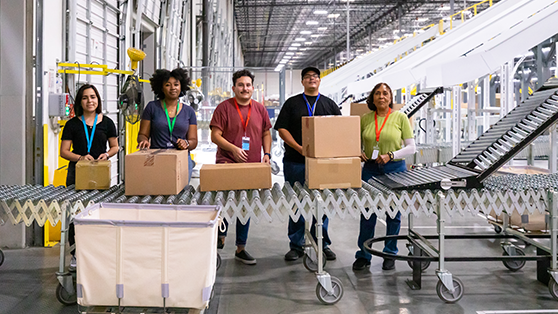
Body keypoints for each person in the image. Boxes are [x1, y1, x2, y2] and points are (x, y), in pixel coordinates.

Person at [274, 66, 341, 262]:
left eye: (315, 77)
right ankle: (296, 245)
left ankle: (322, 242)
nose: (312, 79)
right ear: (302, 82)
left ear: (319, 81)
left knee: (324, 202)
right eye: (307, 77)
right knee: (297, 202)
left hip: (323, 163)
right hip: (296, 161)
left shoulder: (329, 104)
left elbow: (340, 130)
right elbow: (282, 129)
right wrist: (299, 147)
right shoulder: (292, 104)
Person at [210, 69, 272, 265]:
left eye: (248, 85)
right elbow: (215, 136)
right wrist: (234, 149)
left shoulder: (260, 109)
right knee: (226, 201)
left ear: (253, 88)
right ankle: (220, 237)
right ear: (233, 88)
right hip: (227, 162)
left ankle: (241, 247)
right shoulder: (224, 108)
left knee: (245, 205)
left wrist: (267, 154)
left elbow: (266, 133)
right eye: (240, 85)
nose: (245, 88)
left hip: (252, 164)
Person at [352, 82, 416, 271]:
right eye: (378, 93)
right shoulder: (365, 119)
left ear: (390, 98)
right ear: (372, 98)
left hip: (394, 168)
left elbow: (412, 147)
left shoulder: (400, 117)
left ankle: (390, 253)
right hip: (370, 170)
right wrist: (358, 151)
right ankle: (364, 255)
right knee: (367, 214)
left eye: (385, 93)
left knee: (393, 213)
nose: (382, 96)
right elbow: (354, 141)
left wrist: (391, 155)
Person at [60, 84, 119, 270]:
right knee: (75, 215)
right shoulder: (72, 124)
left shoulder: (107, 123)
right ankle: (76, 254)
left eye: (93, 97)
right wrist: (80, 157)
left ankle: (98, 252)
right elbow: (63, 151)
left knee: (98, 212)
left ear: (98, 100)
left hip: (99, 172)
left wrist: (107, 155)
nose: (89, 101)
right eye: (85, 97)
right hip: (77, 173)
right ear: (80, 102)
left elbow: (115, 147)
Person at [137, 67, 198, 182]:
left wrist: (186, 143)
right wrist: (143, 141)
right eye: (168, 85)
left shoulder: (189, 111)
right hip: (157, 158)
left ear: (181, 87)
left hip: (181, 159)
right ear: (161, 88)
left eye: (176, 84)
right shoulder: (152, 107)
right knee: (157, 193)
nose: (173, 88)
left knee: (181, 194)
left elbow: (194, 141)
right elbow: (142, 135)